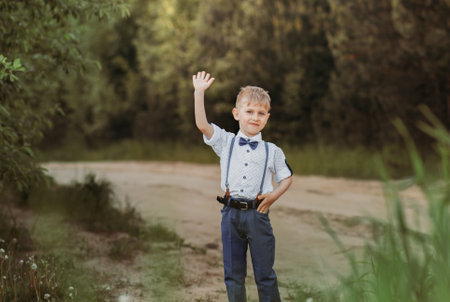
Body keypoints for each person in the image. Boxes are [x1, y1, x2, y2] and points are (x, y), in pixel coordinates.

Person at [192, 71, 293, 302]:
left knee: (265, 274)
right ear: (237, 114)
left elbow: (287, 178)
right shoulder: (226, 141)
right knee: (233, 275)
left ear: (267, 118)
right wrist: (199, 93)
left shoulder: (272, 151)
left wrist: (273, 196)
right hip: (230, 215)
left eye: (261, 113)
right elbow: (202, 125)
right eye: (249, 112)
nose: (255, 117)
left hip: (258, 215)